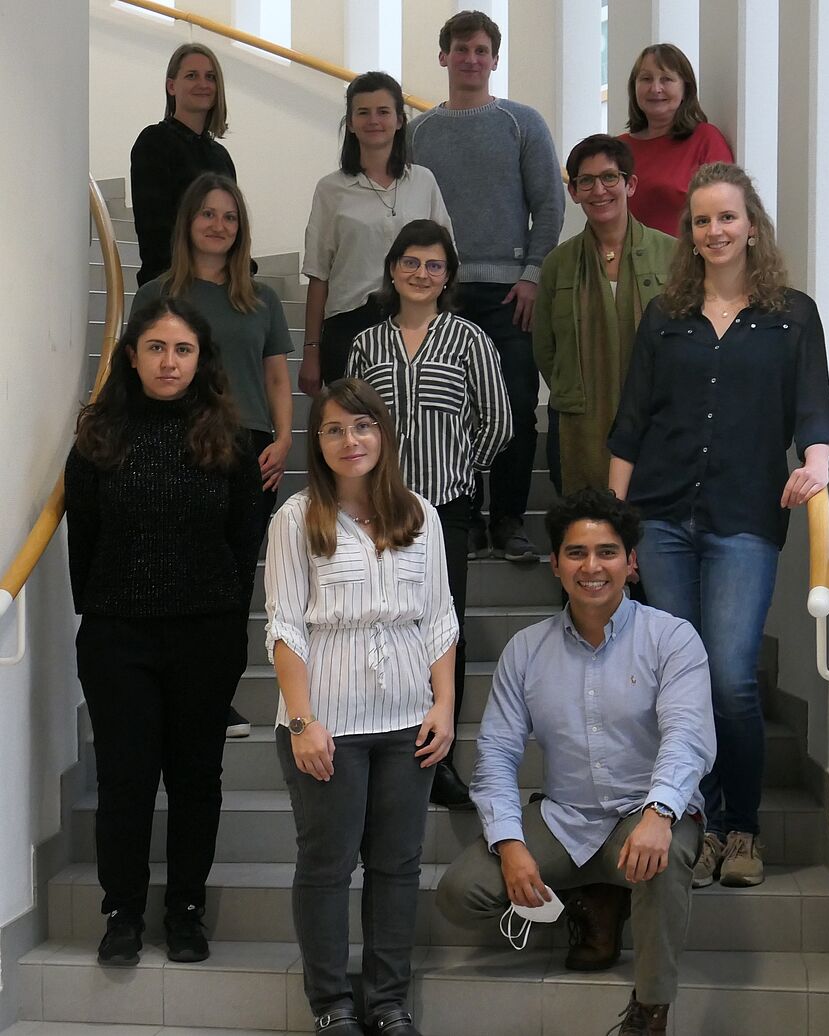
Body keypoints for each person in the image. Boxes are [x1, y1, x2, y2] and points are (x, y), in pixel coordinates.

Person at [608, 162, 829, 889]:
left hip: (744, 517)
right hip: (661, 517)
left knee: (731, 676)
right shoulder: (663, 315)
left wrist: (817, 464)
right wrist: (616, 530)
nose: (714, 231)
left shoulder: (792, 314)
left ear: (751, 226)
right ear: (690, 232)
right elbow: (629, 426)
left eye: (726, 218)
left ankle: (741, 827)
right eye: (701, 220)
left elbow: (813, 408)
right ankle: (700, 824)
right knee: (679, 679)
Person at [436, 489, 715, 1036]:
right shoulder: (526, 650)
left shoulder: (671, 638)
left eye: (608, 552)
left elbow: (687, 736)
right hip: (566, 819)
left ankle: (651, 1011)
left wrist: (660, 815)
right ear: (556, 565)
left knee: (661, 861)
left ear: (631, 564)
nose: (593, 567)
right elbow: (495, 753)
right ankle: (595, 897)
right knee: (460, 892)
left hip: (644, 813)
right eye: (577, 553)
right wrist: (511, 846)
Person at [65, 298, 263, 967]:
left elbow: (242, 547)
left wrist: (227, 626)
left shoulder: (231, 442)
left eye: (181, 349)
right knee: (125, 779)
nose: (168, 362)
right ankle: (121, 912)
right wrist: (102, 612)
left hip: (205, 636)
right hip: (118, 636)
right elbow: (84, 544)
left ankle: (184, 910)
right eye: (155, 348)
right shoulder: (97, 439)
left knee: (195, 778)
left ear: (200, 359)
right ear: (131, 356)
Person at [265, 379, 458, 1036]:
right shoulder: (296, 518)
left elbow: (439, 619)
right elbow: (284, 626)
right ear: (317, 444)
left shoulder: (419, 515)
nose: (351, 440)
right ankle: (331, 1006)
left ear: (383, 434)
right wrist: (301, 720)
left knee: (397, 865)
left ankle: (386, 1002)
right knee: (326, 865)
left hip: (408, 720)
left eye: (363, 426)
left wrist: (445, 706)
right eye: (335, 430)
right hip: (327, 724)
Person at [347, 219, 512, 810]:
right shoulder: (367, 345)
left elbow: (498, 423)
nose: (421, 274)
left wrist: (460, 470)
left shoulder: (469, 339)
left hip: (446, 511)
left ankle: (438, 760)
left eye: (434, 265)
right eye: (411, 262)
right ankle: (382, 752)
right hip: (378, 510)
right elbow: (353, 427)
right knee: (382, 627)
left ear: (449, 276)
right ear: (393, 269)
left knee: (444, 634)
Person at [132, 172, 294, 740]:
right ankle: (170, 687)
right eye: (208, 214)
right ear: (188, 222)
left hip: (250, 449)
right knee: (179, 566)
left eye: (229, 216)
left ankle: (215, 696)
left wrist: (285, 436)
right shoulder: (157, 294)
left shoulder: (263, 298)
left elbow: (277, 376)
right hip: (176, 442)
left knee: (232, 579)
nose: (219, 225)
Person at [408, 10, 565, 562]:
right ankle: (466, 517)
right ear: (444, 56)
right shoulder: (418, 132)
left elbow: (550, 204)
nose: (471, 58)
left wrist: (532, 276)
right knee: (452, 409)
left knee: (517, 406)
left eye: (481, 50)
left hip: (510, 294)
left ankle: (509, 521)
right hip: (442, 294)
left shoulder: (522, 123)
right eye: (461, 48)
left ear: (494, 60)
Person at [534, 134, 675, 496]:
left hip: (661, 421)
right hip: (580, 423)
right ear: (574, 192)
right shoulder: (558, 264)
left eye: (609, 177)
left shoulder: (673, 255)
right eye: (586, 181)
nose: (599, 190)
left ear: (630, 184)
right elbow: (545, 347)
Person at [298, 71, 452, 396]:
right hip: (348, 327)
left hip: (415, 322)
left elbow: (445, 259)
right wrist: (311, 349)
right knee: (355, 430)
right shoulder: (330, 189)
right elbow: (318, 274)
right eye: (363, 112)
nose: (373, 120)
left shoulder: (424, 182)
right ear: (351, 123)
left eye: (383, 112)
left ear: (399, 120)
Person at [131, 43, 237, 287]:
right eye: (192, 75)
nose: (203, 84)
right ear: (171, 86)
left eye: (210, 77)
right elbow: (154, 232)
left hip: (219, 286)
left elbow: (233, 226)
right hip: (172, 284)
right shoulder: (154, 141)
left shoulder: (221, 156)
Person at [619, 44, 733, 236]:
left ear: (685, 88)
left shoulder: (705, 139)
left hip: (687, 261)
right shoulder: (619, 149)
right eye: (646, 79)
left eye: (667, 79)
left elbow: (726, 208)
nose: (655, 88)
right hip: (628, 262)